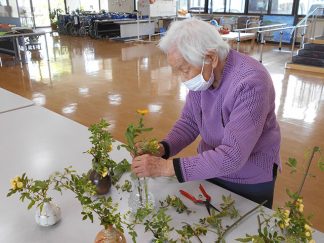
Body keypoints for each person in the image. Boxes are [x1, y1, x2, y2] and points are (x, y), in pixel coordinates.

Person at [131, 18, 281, 209]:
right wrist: (163, 149)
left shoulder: (251, 83)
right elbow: (190, 122)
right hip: (211, 167)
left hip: (249, 176)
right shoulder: (204, 74)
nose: (182, 78)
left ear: (211, 58)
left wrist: (166, 168)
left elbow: (232, 157)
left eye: (184, 70)